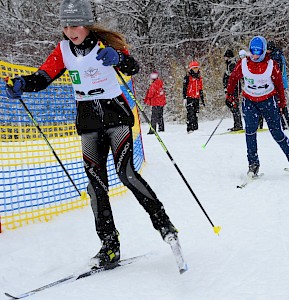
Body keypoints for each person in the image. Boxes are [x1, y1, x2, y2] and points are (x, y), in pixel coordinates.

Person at [5, 0, 178, 268]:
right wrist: (22, 84)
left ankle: (164, 224)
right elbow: (43, 77)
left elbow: (133, 67)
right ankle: (109, 245)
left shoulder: (103, 45)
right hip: (87, 122)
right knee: (96, 186)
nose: (69, 31)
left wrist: (117, 57)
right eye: (65, 26)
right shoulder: (63, 50)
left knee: (126, 174)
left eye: (74, 25)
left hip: (116, 116)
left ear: (86, 23)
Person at [226, 36, 289, 177]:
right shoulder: (243, 64)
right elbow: (233, 78)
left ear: (264, 51)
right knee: (250, 132)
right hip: (250, 102)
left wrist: (282, 103)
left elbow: (279, 86)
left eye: (259, 51)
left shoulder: (272, 64)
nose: (255, 55)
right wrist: (230, 96)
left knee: (277, 133)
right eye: (253, 51)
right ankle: (253, 165)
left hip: (268, 101)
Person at [266, 40, 289, 130]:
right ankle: (282, 123)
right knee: (278, 103)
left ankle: (284, 123)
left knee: (280, 103)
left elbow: (277, 72)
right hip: (277, 83)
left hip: (278, 84)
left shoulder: (276, 57)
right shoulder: (276, 55)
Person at [223, 49, 243, 131]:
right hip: (232, 89)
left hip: (234, 89)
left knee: (234, 106)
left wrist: (230, 89)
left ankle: (238, 125)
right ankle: (237, 124)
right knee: (233, 106)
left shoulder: (232, 64)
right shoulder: (230, 64)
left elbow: (233, 78)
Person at [183, 60, 204, 133]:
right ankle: (190, 128)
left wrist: (202, 98)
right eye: (194, 68)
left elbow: (200, 88)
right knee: (190, 113)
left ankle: (195, 128)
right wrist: (184, 97)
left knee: (196, 113)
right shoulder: (188, 77)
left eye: (197, 68)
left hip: (196, 98)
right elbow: (184, 88)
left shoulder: (199, 77)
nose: (196, 69)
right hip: (189, 97)